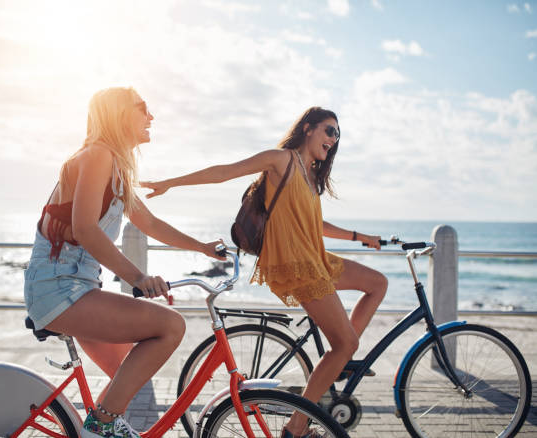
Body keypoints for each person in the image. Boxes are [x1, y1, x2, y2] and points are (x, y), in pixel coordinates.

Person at [141, 106, 388, 437]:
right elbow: (225, 172)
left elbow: (317, 224)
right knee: (345, 344)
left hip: (317, 259)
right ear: (309, 128)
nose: (334, 139)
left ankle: (339, 359)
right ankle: (297, 427)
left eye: (338, 135)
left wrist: (360, 237)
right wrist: (170, 183)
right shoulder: (280, 160)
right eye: (330, 130)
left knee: (377, 283)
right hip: (297, 266)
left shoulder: (311, 174)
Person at [23, 86, 224, 438]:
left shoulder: (115, 167)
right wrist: (138, 277)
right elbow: (85, 229)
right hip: (58, 289)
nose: (151, 116)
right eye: (143, 108)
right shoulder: (97, 155)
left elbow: (150, 224)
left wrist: (203, 247)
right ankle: (101, 425)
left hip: (78, 288)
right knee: (171, 327)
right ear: (119, 114)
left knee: (125, 382)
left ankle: (97, 428)